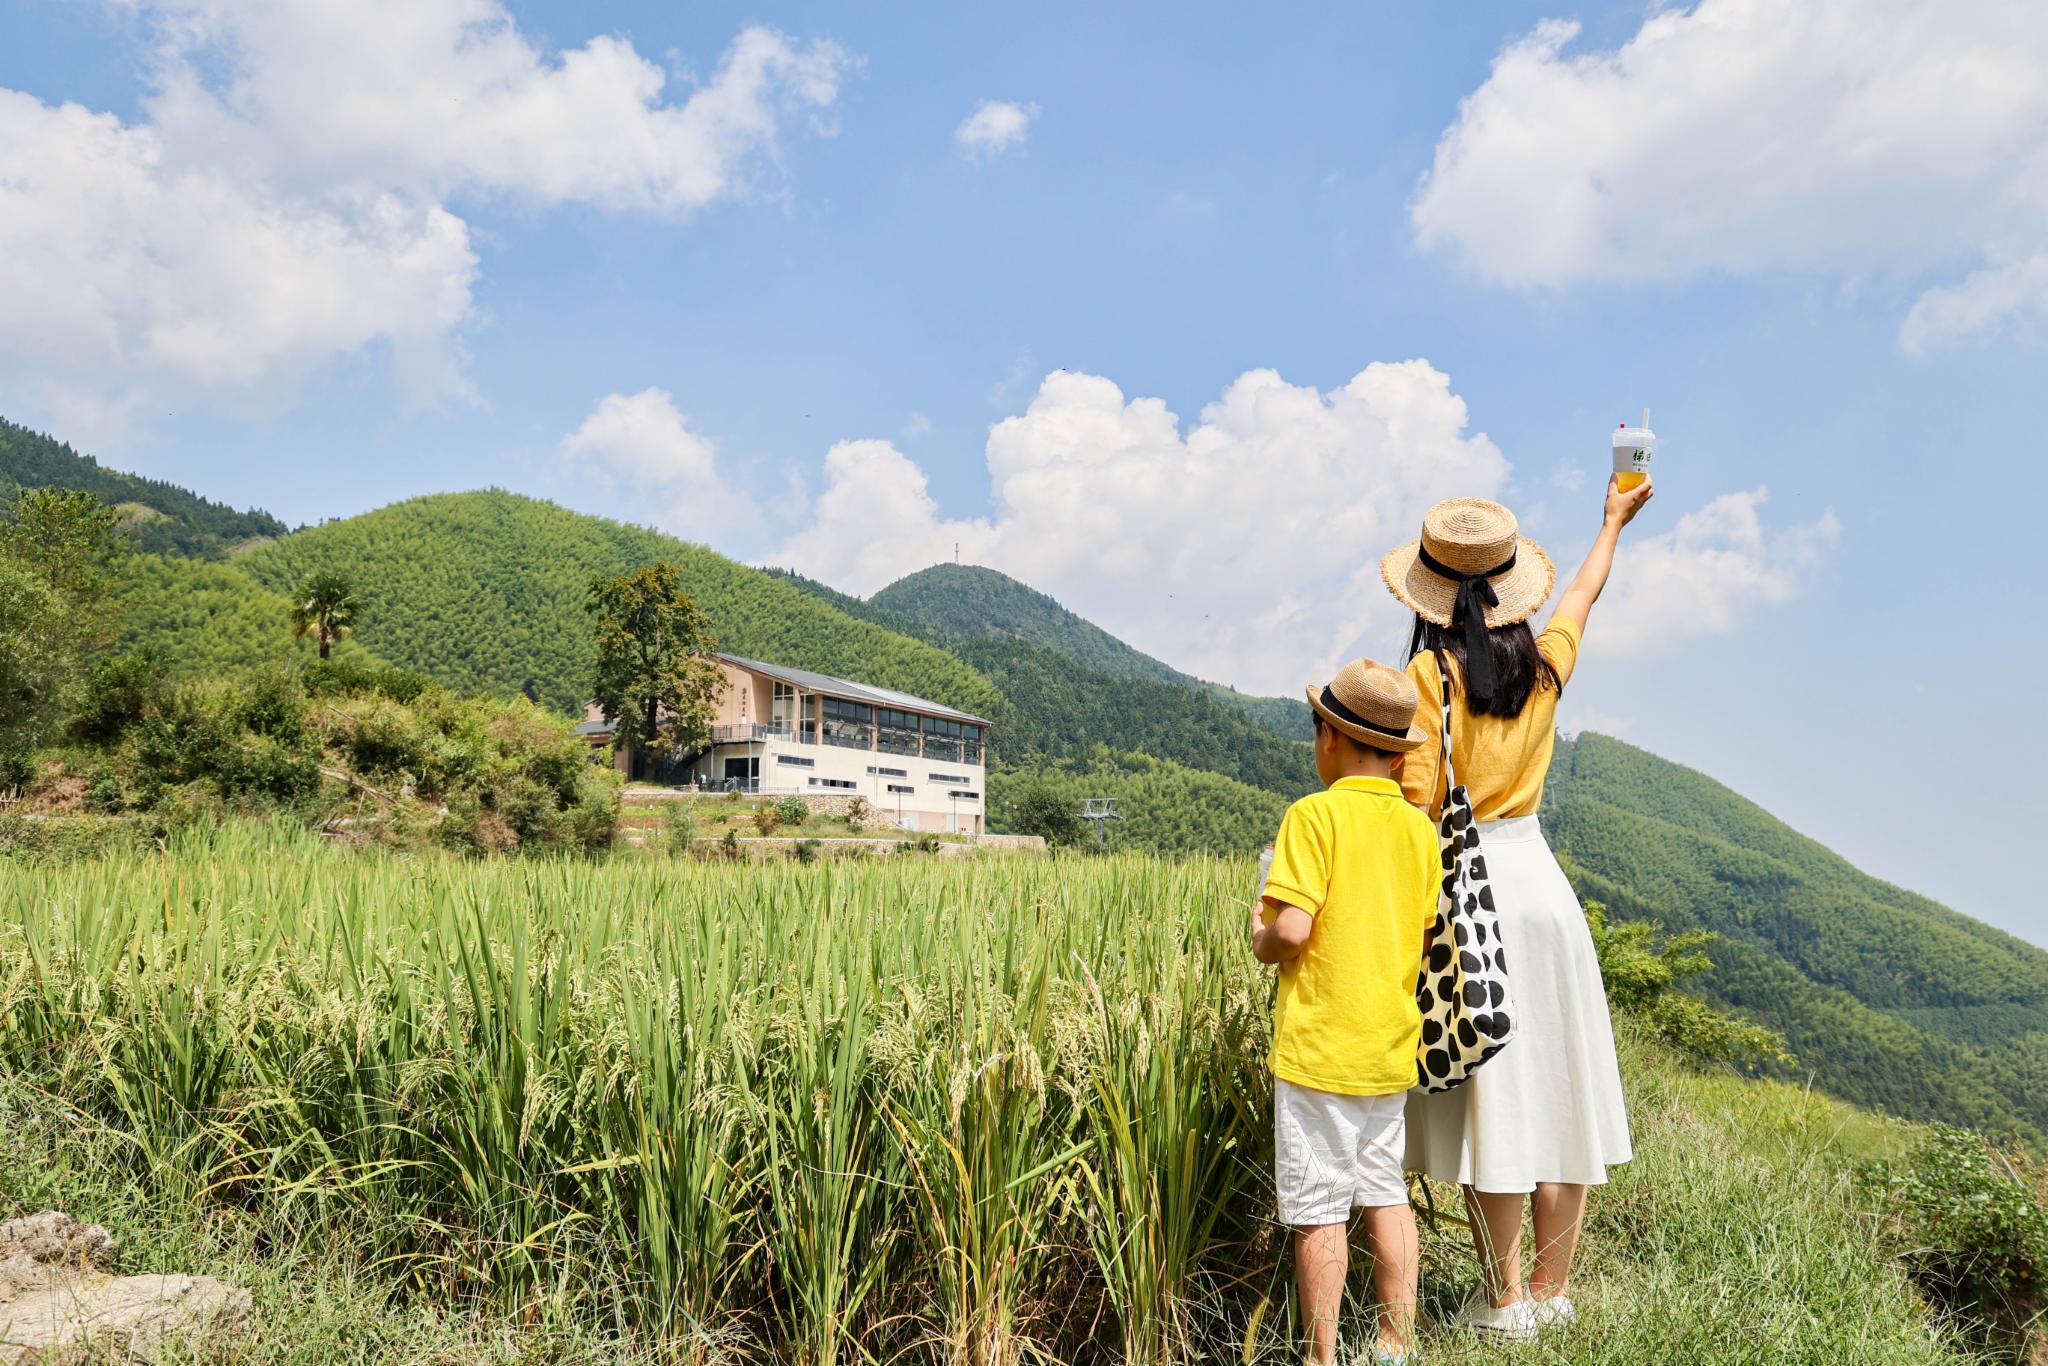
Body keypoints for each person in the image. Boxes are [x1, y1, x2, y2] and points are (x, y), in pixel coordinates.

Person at [1378, 476, 1654, 1338]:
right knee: (1560, 1089)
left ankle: (1502, 1306)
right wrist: (1612, 520)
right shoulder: (1543, 666)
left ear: (1430, 592)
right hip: (1544, 887)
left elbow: (1415, 801)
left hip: (1471, 891)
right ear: (1508, 589)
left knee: (1496, 1100)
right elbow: (1582, 593)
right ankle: (1554, 1290)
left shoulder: (1427, 677)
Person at [1251, 657, 1442, 1366]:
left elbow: (1292, 932)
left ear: (1328, 735)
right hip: (1389, 1047)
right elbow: (1420, 936)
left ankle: (1321, 1356)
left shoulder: (1313, 815)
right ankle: (1396, 1344)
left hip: (1321, 1049)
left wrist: (1259, 934)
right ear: (1397, 751)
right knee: (1385, 1192)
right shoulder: (1420, 830)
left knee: (1320, 1209)